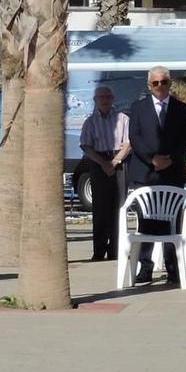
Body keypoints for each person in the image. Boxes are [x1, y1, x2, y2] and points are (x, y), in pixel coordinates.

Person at [124, 66, 186, 285]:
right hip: (146, 171)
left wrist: (170, 158)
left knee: (173, 221)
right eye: (155, 83)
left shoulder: (181, 109)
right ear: (149, 85)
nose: (160, 86)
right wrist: (152, 159)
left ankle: (173, 267)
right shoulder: (138, 108)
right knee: (146, 221)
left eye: (164, 82)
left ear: (170, 83)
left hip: (172, 171)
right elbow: (135, 137)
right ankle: (145, 267)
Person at [78, 85, 129, 264]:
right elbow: (85, 145)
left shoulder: (122, 118)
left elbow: (129, 143)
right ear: (95, 100)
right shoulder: (89, 122)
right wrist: (103, 163)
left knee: (119, 206)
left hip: (119, 161)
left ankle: (115, 249)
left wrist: (115, 162)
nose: (105, 100)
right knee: (100, 209)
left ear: (113, 98)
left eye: (108, 96)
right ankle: (98, 251)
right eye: (102, 97)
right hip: (98, 162)